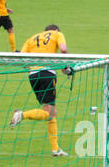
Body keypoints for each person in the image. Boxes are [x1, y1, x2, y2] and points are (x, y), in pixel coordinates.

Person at [7, 24, 69, 157]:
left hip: (33, 76)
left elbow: (21, 59)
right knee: (49, 113)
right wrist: (66, 66)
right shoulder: (57, 34)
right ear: (56, 30)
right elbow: (63, 49)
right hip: (47, 74)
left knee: (51, 112)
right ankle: (22, 115)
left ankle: (55, 149)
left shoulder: (32, 38)